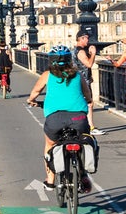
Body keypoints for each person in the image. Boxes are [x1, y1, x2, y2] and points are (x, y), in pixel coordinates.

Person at [25, 45, 91, 192]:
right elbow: (87, 93)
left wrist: (31, 100)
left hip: (55, 119)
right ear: (69, 60)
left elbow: (35, 91)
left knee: (50, 145)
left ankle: (50, 181)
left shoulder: (48, 75)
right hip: (79, 118)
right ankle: (84, 174)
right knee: (85, 142)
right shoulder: (78, 75)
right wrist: (88, 99)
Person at [74, 30, 106, 135]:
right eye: (86, 38)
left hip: (80, 79)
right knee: (89, 104)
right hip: (83, 82)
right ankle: (90, 127)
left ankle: (84, 126)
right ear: (81, 38)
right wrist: (93, 54)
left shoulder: (76, 50)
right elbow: (88, 64)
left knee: (84, 104)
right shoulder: (81, 51)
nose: (88, 40)